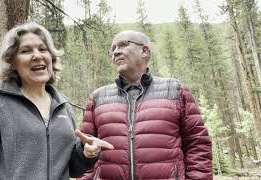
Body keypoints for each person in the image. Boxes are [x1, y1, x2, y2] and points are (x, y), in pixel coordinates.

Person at [0, 22, 113, 180]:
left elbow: (69, 168)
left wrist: (85, 153)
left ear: (51, 57)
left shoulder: (63, 105)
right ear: (12, 62)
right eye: (26, 51)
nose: (37, 55)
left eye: (43, 49)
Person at [77, 30, 213, 180]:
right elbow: (85, 150)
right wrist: (86, 152)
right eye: (113, 48)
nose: (115, 52)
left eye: (122, 45)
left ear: (144, 51)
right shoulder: (97, 98)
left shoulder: (175, 91)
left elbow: (198, 144)